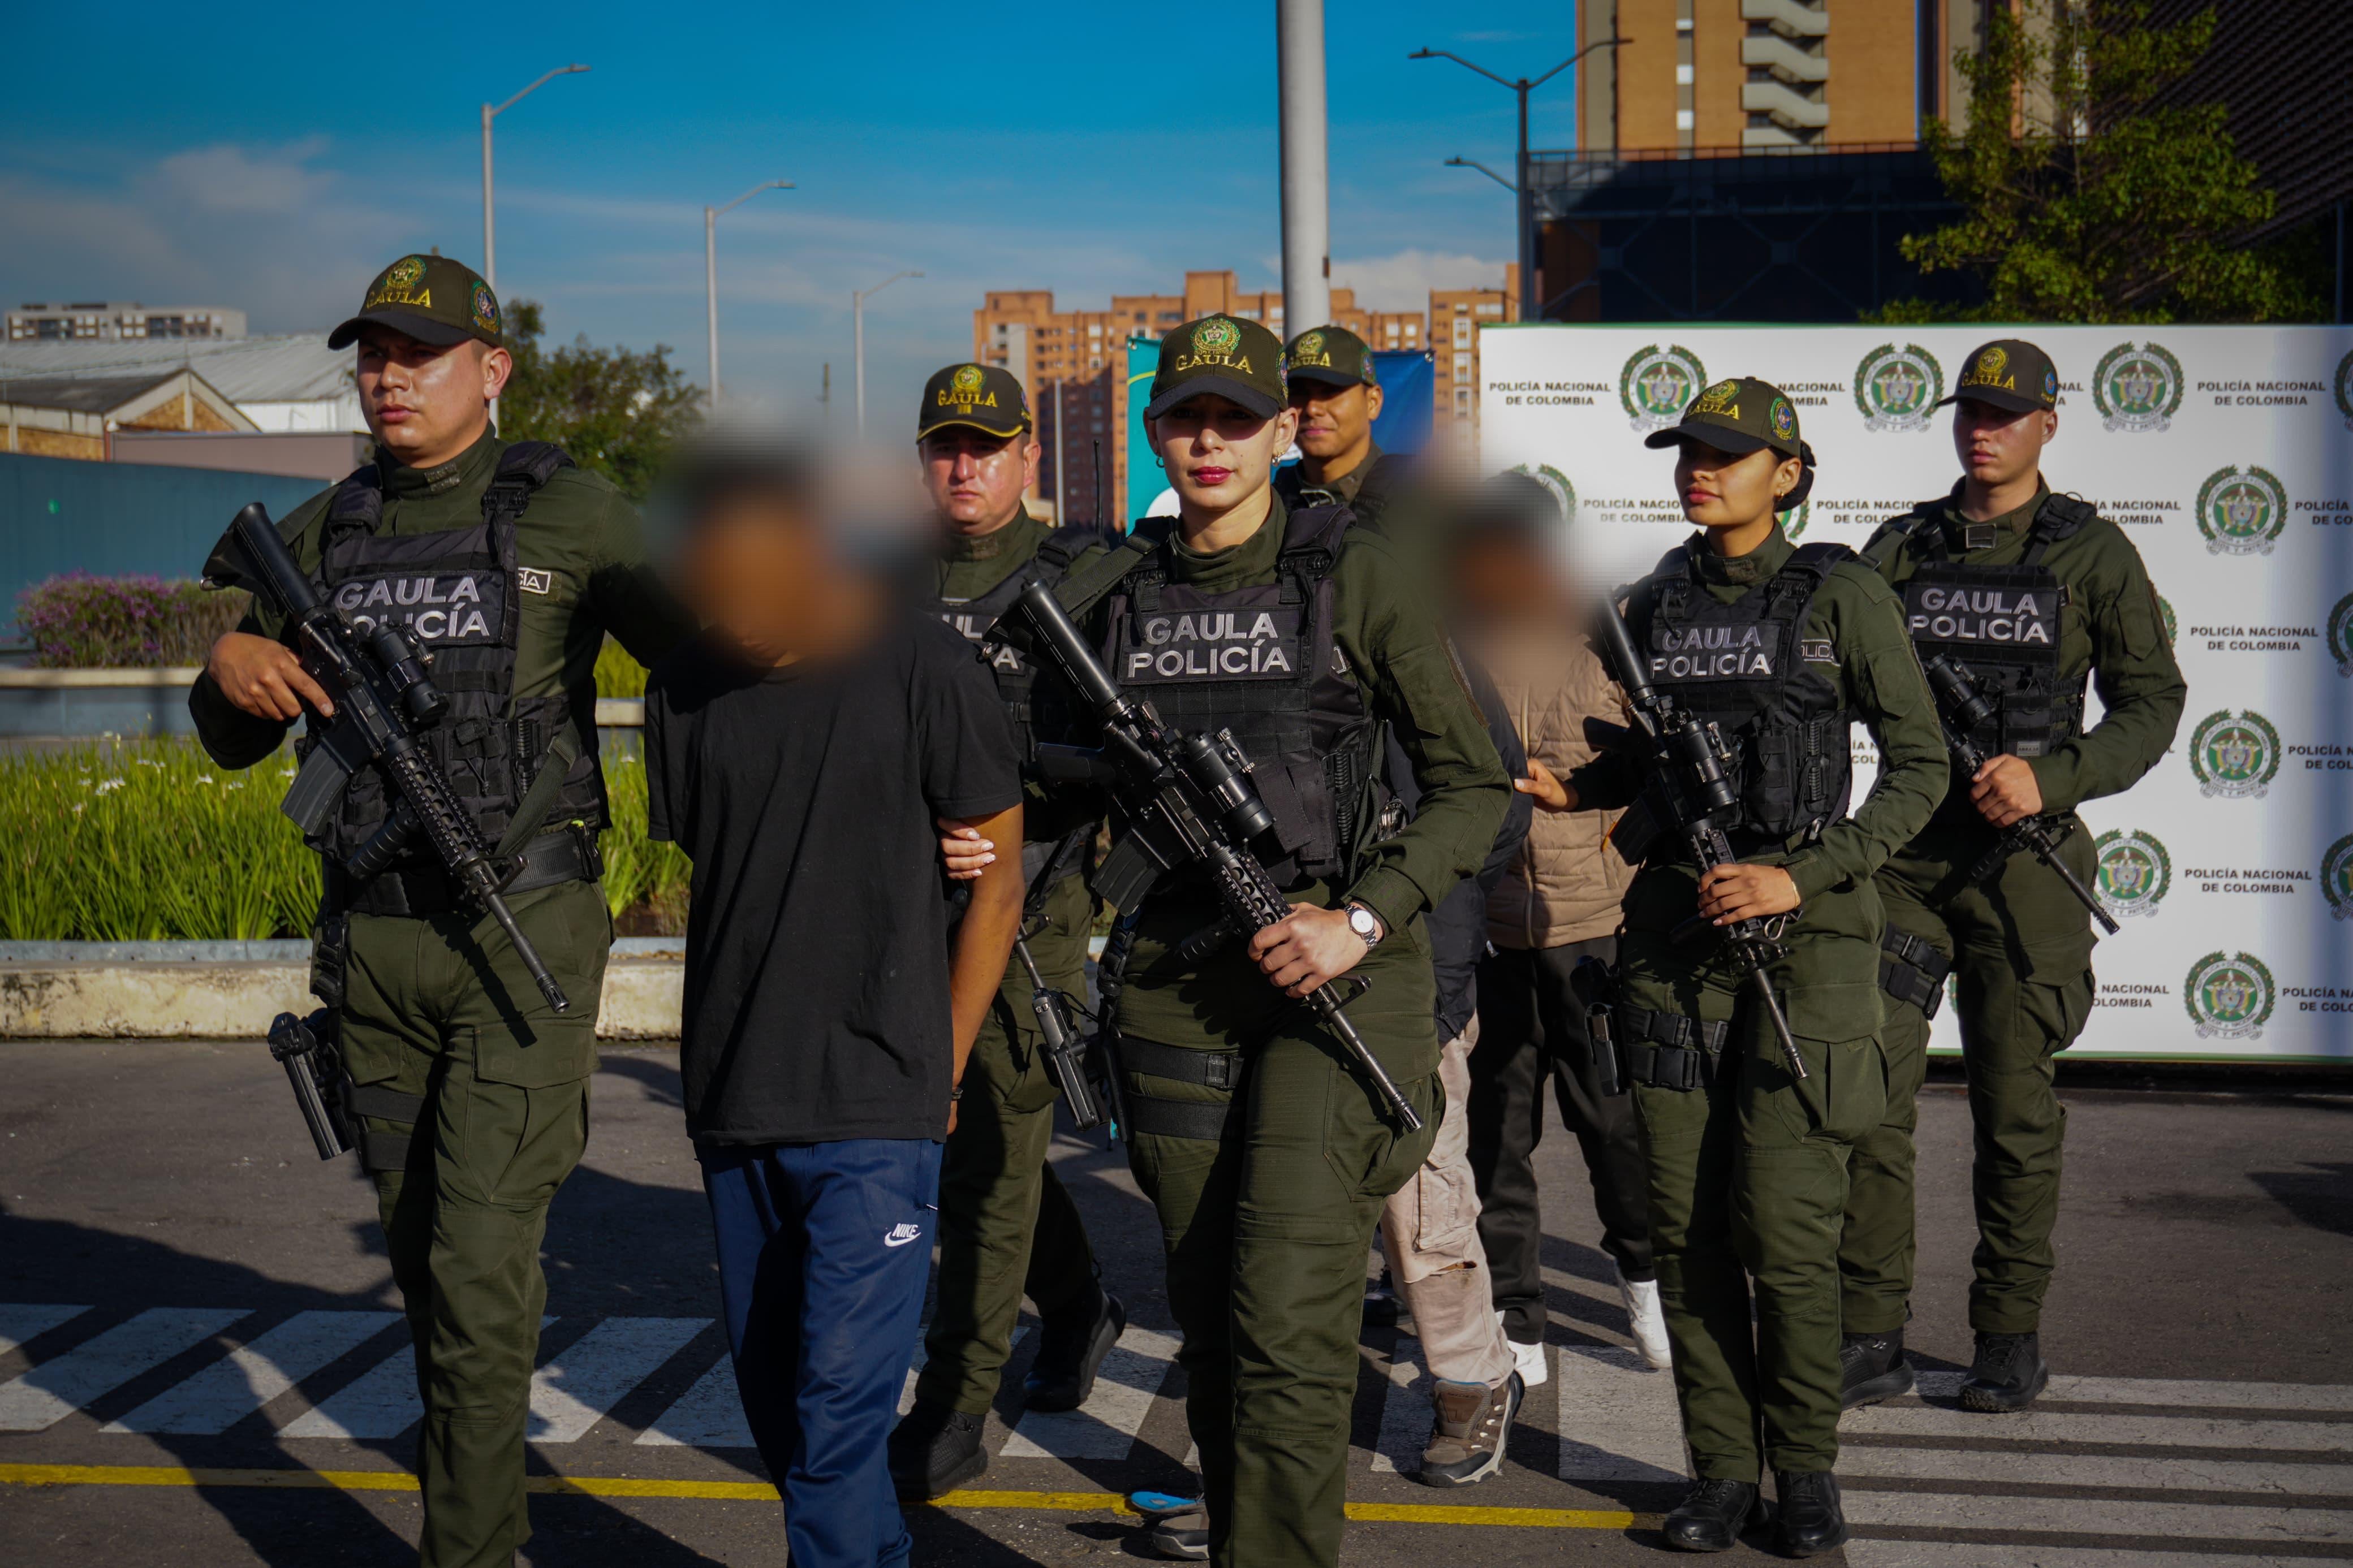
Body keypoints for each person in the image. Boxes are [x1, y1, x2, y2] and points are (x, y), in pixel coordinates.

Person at [189, 253, 693, 1568]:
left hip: (518, 936)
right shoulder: (323, 533)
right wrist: (227, 659)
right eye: (372, 353)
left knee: (476, 1270)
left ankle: (468, 1548)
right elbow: (233, 736)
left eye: (419, 352)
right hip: (372, 946)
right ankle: (482, 1489)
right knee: (425, 1265)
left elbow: (704, 665)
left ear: (493, 368)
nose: (390, 375)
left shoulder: (571, 513)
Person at [1045, 314, 1511, 1567]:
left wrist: (1359, 919)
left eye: (1234, 419)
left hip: (1338, 984)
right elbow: (1016, 761)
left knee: (1288, 1313)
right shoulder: (1111, 592)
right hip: (1174, 983)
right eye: (1186, 418)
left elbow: (1477, 785)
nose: (1209, 440)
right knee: (1208, 1310)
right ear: (1155, 431)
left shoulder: (1353, 571)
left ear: (1275, 434)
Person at [1519, 379, 1946, 1556]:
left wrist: (1804, 875)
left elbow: (1920, 769)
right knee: (1688, 1228)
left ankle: (1803, 1474)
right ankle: (1717, 1474)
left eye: (1726, 453)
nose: (1699, 468)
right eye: (1688, 452)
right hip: (1669, 943)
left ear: (1787, 472)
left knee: (1789, 1231)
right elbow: (1655, 762)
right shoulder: (1649, 602)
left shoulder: (1840, 598)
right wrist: (1580, 788)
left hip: (1803, 948)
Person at [643, 441, 1027, 1567]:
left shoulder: (924, 668)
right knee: (783, 1425)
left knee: (833, 1437)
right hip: (734, 1093)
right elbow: (727, 864)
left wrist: (940, 1063)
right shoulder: (684, 687)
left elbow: (998, 883)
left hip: (878, 1099)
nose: (735, 614)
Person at [1838, 340, 2186, 1414]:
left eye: (2004, 413)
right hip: (1908, 864)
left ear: (2046, 423)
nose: (1981, 428)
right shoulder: (1901, 548)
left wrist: (2052, 776)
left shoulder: (2094, 556)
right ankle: (1870, 1331)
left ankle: (2006, 1334)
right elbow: (1831, 672)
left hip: (2026, 875)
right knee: (1871, 1103)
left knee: (2016, 1110)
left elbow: (2151, 703)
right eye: (1970, 412)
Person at [890, 362, 1126, 1501]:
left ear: (1030, 454)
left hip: (1033, 922)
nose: (965, 465)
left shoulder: (1085, 578)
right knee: (975, 1149)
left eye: (988, 445)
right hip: (905, 912)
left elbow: (1125, 749)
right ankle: (1078, 1303)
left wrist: (1006, 808)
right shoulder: (885, 582)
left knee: (989, 1150)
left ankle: (955, 1400)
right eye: (946, 445)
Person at [1449, 474, 1668, 1383]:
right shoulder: (1449, 643)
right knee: (1496, 1138)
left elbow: (1653, 760)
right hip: (1490, 931)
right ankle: (1517, 1316)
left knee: (1615, 1127)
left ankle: (1645, 1281)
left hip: (1596, 927)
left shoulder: (1609, 633)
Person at [1272, 325, 1408, 516]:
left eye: (1331, 391)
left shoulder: (1416, 501)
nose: (1312, 409)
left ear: (1372, 402)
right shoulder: (1268, 509)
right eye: (1298, 393)